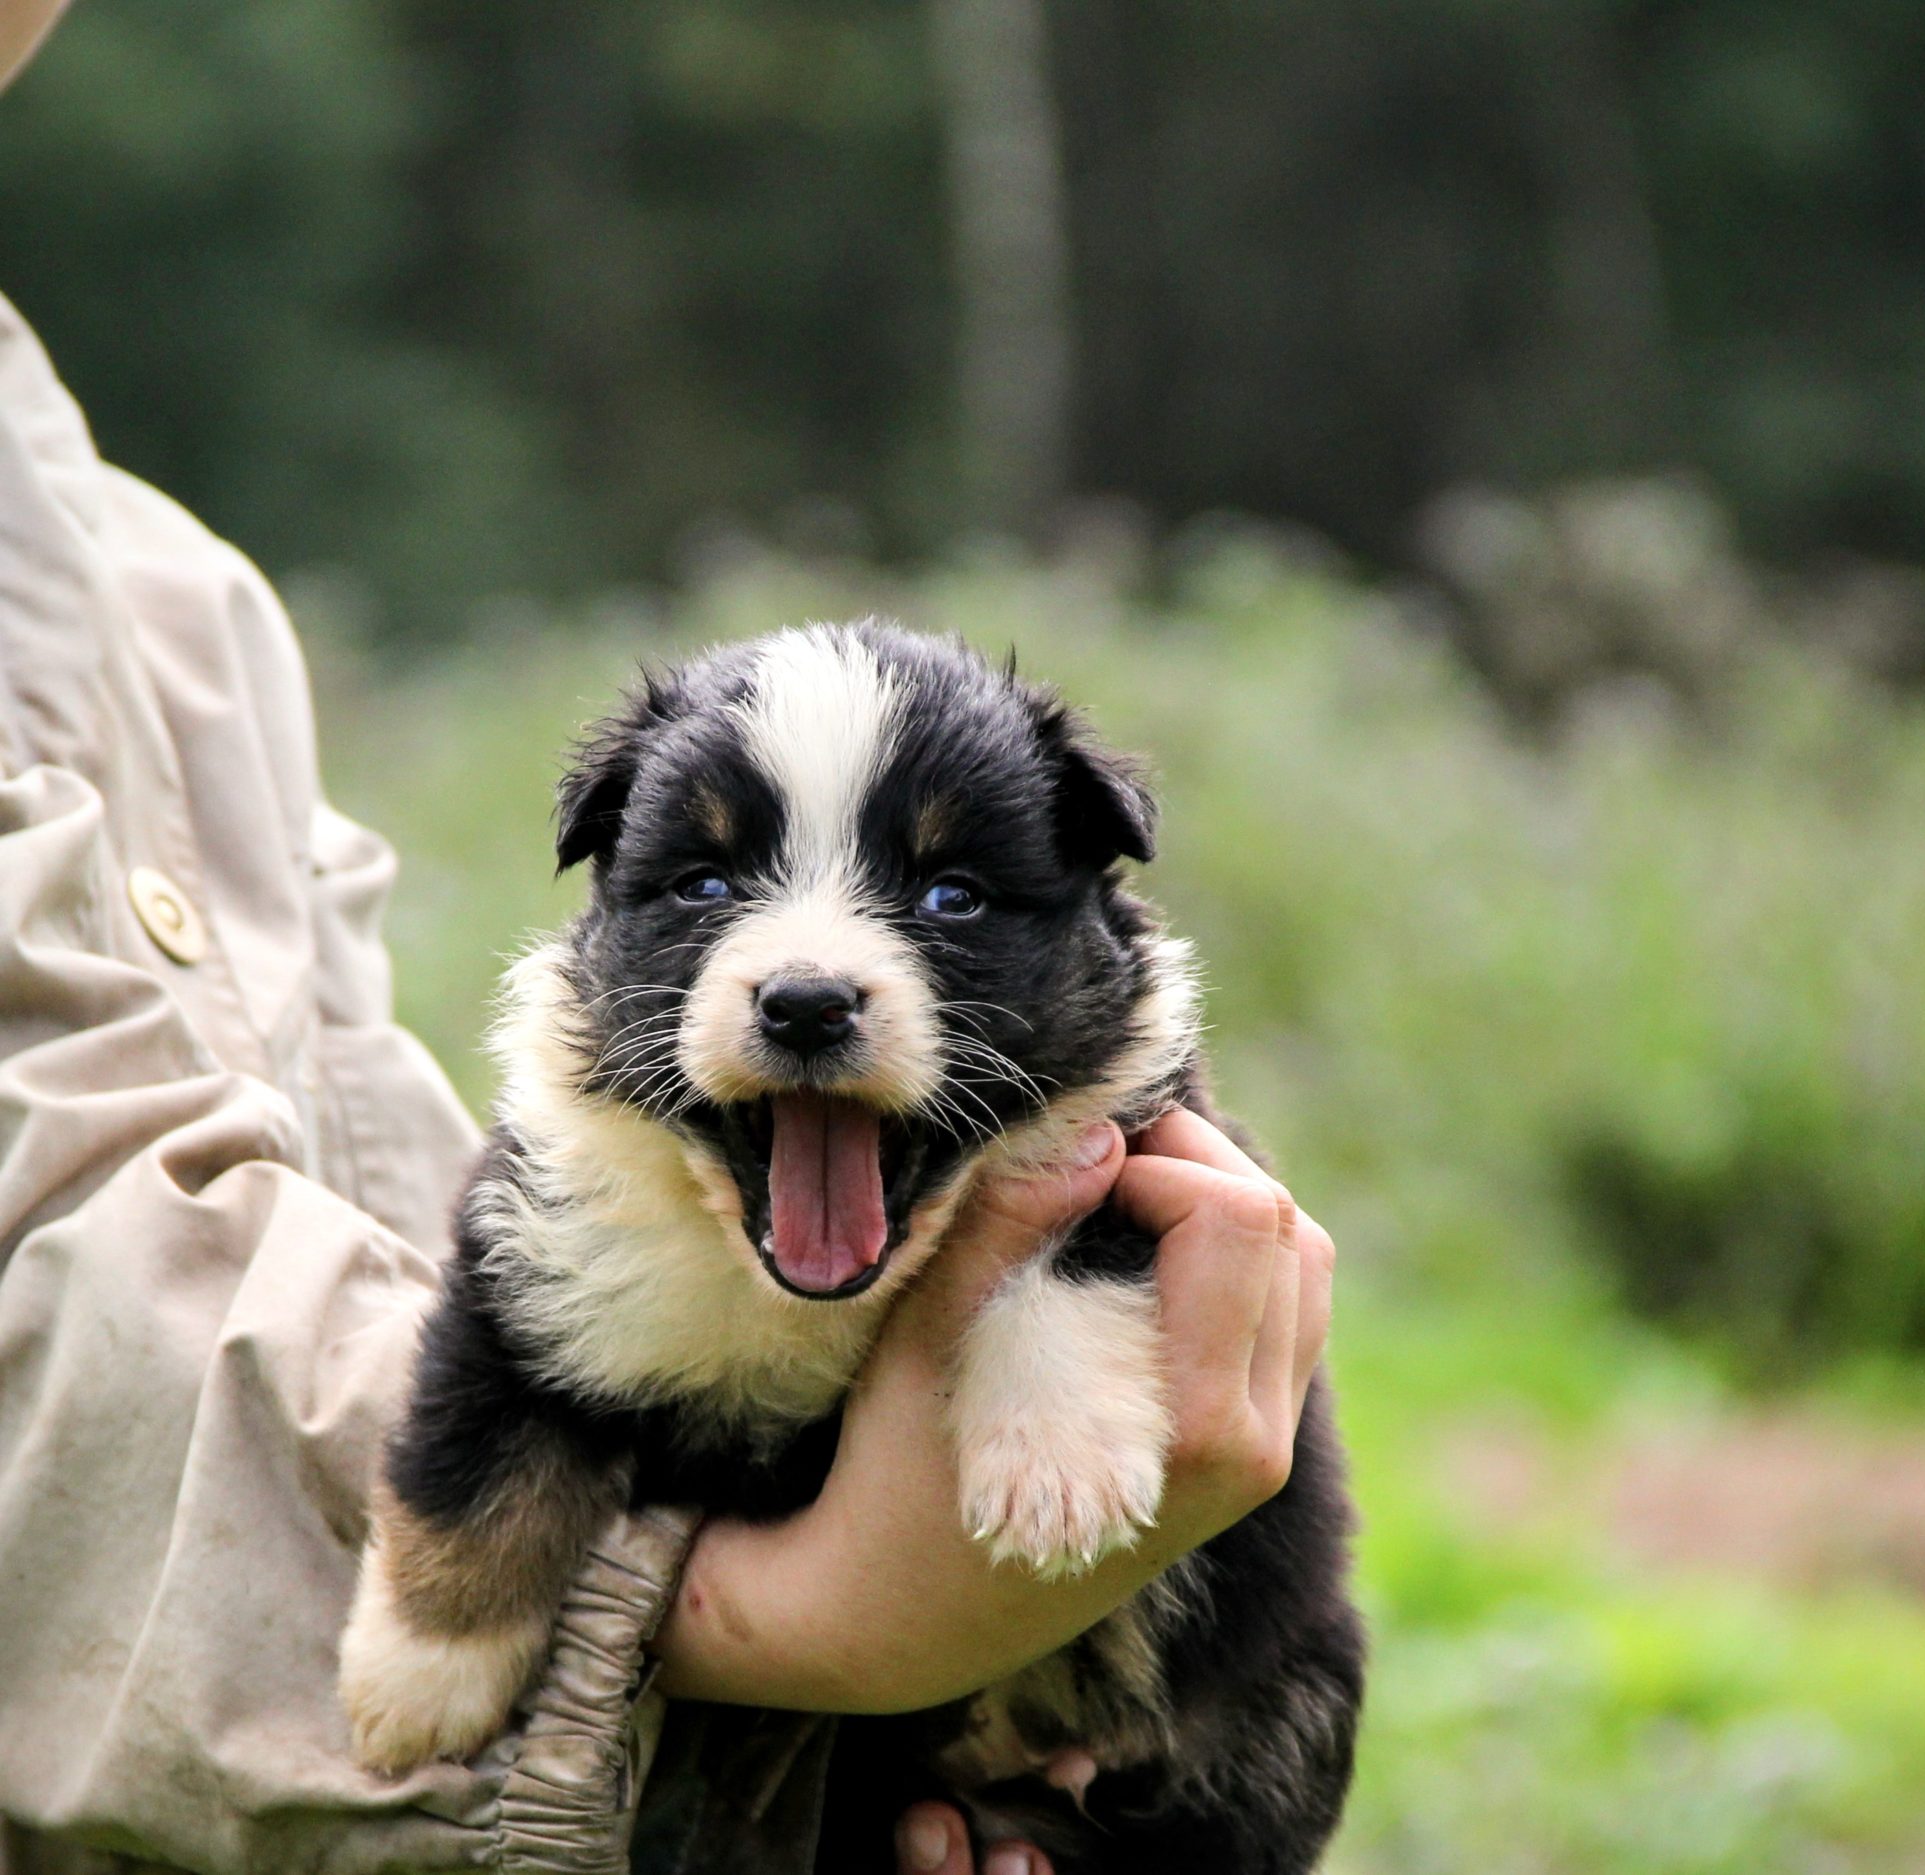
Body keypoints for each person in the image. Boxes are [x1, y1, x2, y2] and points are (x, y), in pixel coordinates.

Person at [0, 11, 1338, 1874]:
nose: (807, 964)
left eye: (949, 897)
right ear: (608, 897)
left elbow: (344, 1230)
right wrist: (778, 1633)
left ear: (1102, 903)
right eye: (707, 886)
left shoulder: (173, 593)